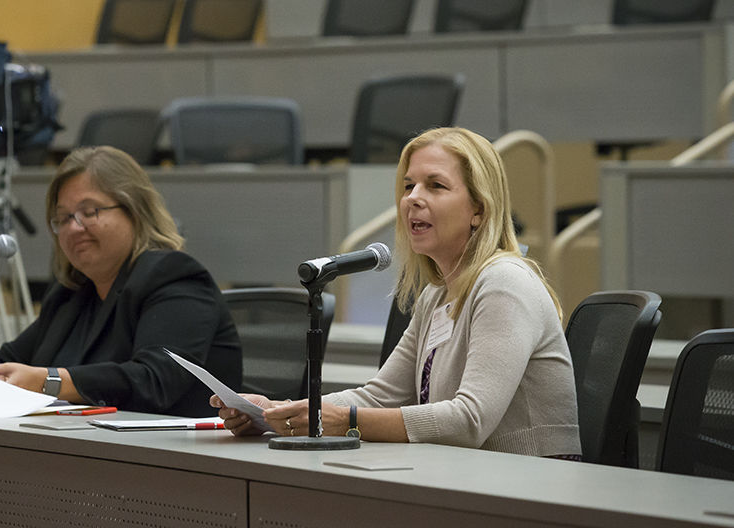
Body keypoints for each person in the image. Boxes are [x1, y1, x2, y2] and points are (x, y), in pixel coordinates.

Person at [213, 127, 582, 457]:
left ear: (479, 211)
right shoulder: (435, 296)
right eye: (409, 186)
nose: (412, 199)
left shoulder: (505, 282)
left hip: (531, 484)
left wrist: (349, 420)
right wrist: (279, 411)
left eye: (435, 185)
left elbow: (470, 420)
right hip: (471, 477)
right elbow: (379, 395)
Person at [0, 146, 241, 417]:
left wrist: (48, 382)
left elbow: (154, 381)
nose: (74, 227)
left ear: (135, 211)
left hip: (175, 455)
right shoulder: (72, 293)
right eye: (63, 217)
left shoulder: (174, 276)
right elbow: (1, 362)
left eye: (90, 211)